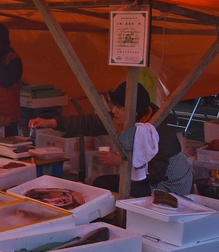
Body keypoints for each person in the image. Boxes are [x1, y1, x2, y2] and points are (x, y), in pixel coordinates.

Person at [29, 82, 192, 197]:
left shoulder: (158, 131)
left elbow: (155, 174)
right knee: (102, 182)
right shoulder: (122, 120)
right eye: (113, 105)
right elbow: (88, 123)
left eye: (119, 107)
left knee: (106, 185)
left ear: (134, 112)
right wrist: (51, 122)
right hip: (144, 176)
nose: (113, 111)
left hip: (169, 185)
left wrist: (122, 161)